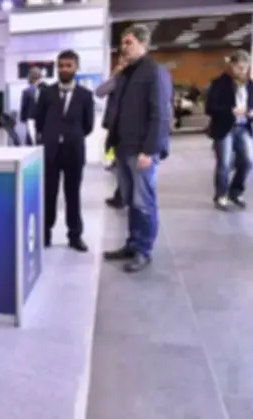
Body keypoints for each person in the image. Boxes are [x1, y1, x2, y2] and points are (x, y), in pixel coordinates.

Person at [102, 24, 172, 273]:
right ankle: (132, 243)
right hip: (123, 148)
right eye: (122, 42)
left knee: (144, 202)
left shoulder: (154, 72)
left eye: (129, 42)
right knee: (131, 201)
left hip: (141, 151)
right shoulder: (126, 73)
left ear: (144, 43)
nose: (123, 47)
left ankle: (144, 250)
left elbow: (160, 115)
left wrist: (149, 151)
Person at [35, 50, 94, 252]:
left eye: (69, 65)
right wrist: (51, 136)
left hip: (73, 152)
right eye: (61, 65)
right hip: (50, 152)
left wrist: (71, 135)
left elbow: (88, 125)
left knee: (73, 195)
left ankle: (75, 236)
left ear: (76, 68)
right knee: (48, 194)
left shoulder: (85, 96)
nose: (64, 69)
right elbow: (39, 122)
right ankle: (45, 234)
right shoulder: (46, 93)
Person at [205, 49, 253, 211]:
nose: (243, 71)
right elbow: (210, 108)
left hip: (243, 127)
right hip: (224, 128)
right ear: (232, 65)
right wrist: (230, 111)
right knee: (225, 163)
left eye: (246, 68)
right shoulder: (218, 84)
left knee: (248, 161)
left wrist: (252, 112)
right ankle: (221, 195)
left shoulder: (250, 85)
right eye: (240, 67)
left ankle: (236, 191)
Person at [96, 56, 129, 210]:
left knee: (121, 160)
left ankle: (122, 195)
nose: (120, 65)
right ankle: (121, 194)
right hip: (118, 126)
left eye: (123, 63)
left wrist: (114, 76)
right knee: (112, 152)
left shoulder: (120, 79)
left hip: (120, 127)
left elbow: (99, 91)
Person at [20, 67, 47, 145]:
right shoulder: (48, 89)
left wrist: (23, 119)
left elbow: (24, 107)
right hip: (44, 122)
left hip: (31, 121)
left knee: (31, 143)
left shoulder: (27, 91)